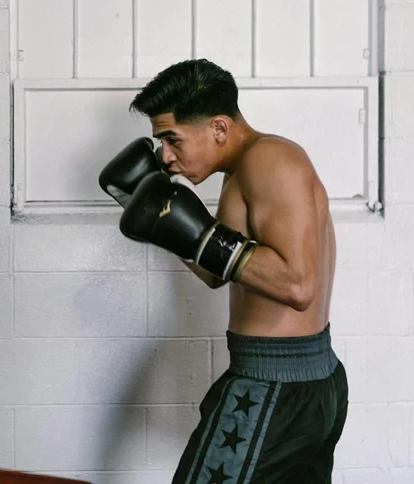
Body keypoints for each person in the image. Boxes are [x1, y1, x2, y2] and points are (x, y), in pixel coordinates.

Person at [99, 58, 348, 483]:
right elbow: (222, 272)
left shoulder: (271, 160)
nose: (165, 156)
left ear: (217, 127)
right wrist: (166, 225)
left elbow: (297, 284)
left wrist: (202, 236)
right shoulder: (243, 171)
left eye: (172, 139)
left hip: (270, 387)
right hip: (304, 384)